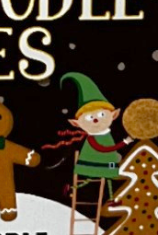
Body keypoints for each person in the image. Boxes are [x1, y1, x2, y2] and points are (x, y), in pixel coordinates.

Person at [43, 72, 133, 203]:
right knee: (90, 179)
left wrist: (115, 156)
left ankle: (111, 200)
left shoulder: (107, 135)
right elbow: (102, 149)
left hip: (107, 162)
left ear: (113, 115)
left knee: (108, 178)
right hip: (92, 163)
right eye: (90, 117)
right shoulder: (92, 138)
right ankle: (72, 188)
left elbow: (108, 149)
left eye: (102, 115)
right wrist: (124, 143)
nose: (96, 120)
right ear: (76, 123)